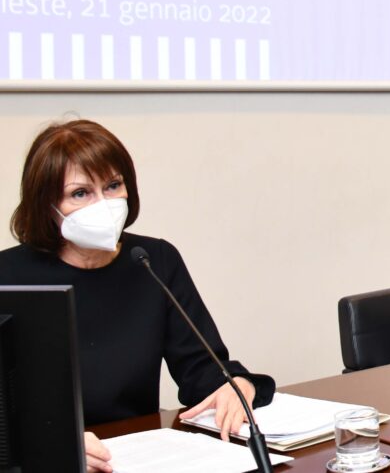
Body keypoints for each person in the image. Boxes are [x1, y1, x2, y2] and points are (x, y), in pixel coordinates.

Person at [0, 119, 274, 473]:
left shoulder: (152, 260)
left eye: (113, 185)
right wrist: (50, 445)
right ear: (46, 205)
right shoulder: (8, 275)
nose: (103, 204)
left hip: (138, 458)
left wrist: (235, 385)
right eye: (80, 193)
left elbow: (200, 368)